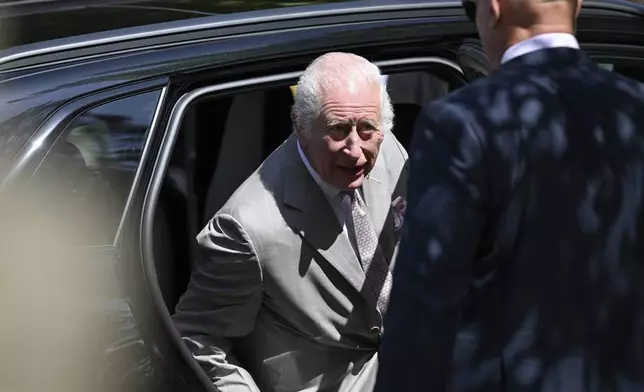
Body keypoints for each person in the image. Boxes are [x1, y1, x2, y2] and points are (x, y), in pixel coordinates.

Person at [375, 0, 644, 390]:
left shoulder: (461, 122)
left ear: (493, 8)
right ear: (578, 5)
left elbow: (426, 309)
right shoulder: (636, 108)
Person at [173, 52, 408, 392]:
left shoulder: (387, 148)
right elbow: (196, 338)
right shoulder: (246, 227)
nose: (355, 150)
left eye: (367, 129)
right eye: (338, 130)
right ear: (300, 124)